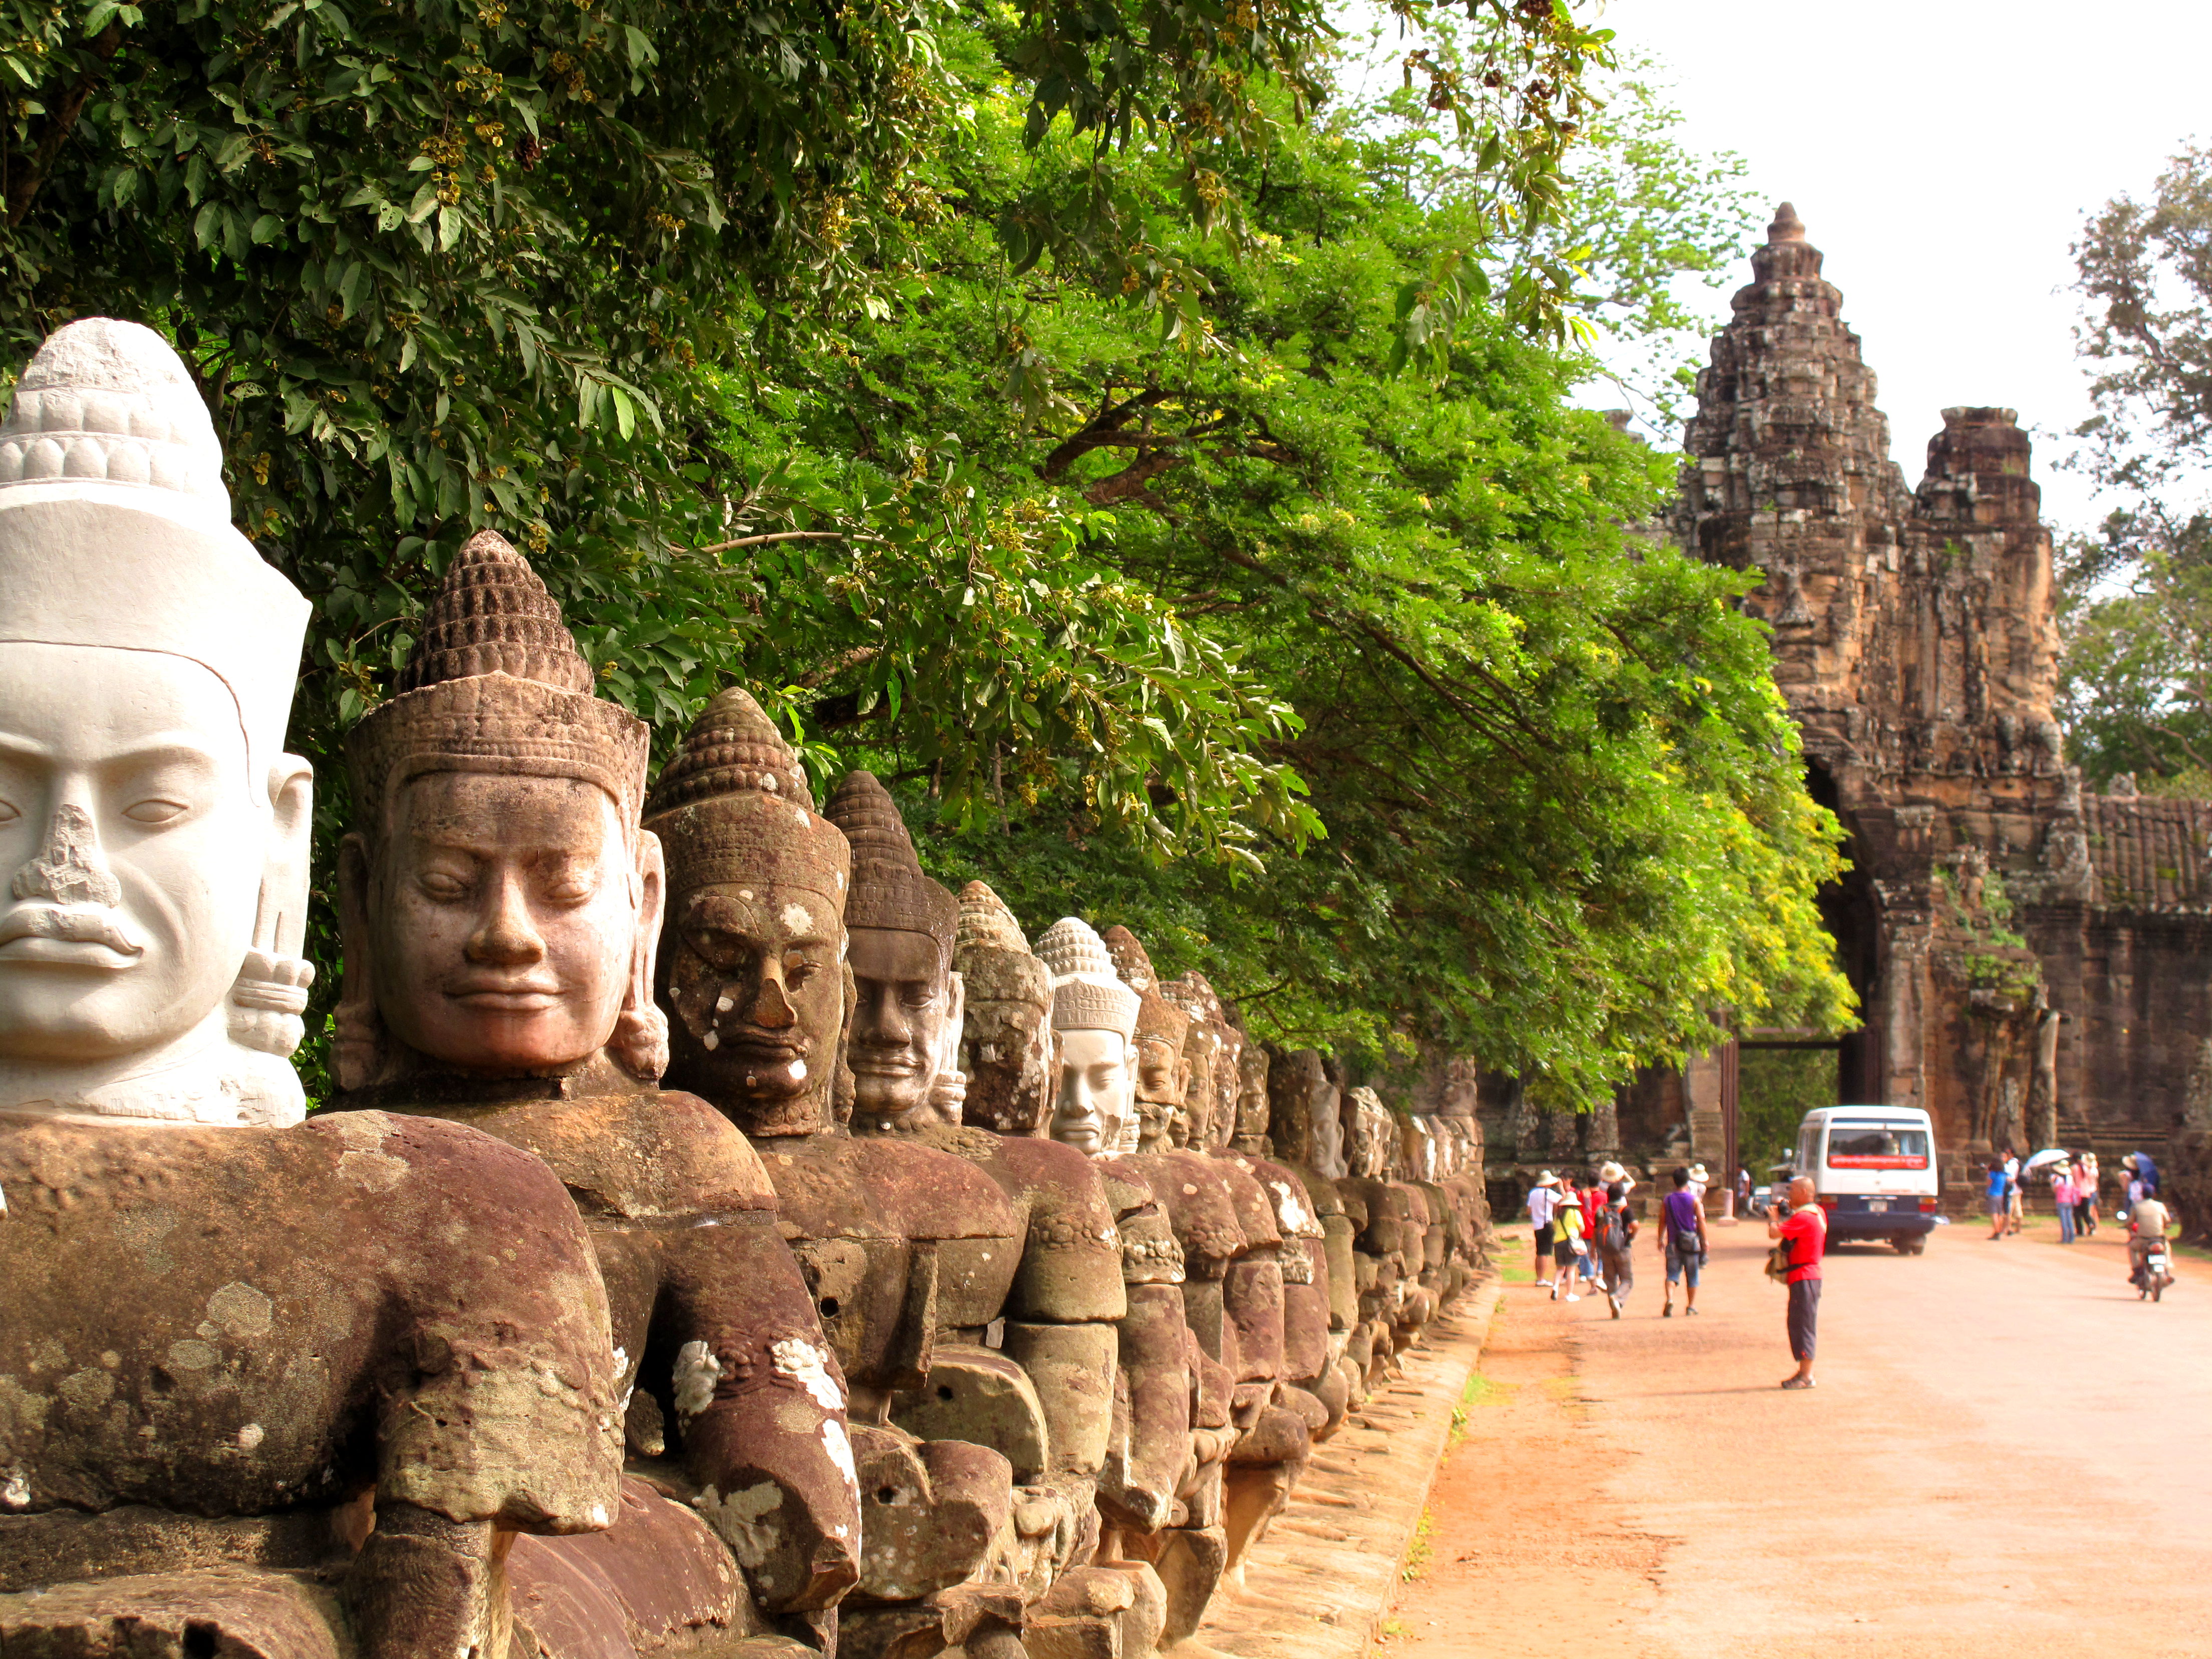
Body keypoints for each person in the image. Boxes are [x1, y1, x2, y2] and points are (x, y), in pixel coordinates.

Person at [1769, 1175, 1826, 1388]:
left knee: (1803, 1325)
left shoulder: (1804, 1218)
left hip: (1804, 1277)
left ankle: (1806, 1376)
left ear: (1804, 1192)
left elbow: (1774, 1233)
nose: (1789, 1194)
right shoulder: (1818, 1213)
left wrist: (1774, 1217)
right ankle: (1803, 1373)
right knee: (1801, 1323)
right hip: (1808, 1276)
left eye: (1792, 1190)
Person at [1658, 1166, 1707, 1317]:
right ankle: (1691, 1306)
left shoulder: (1668, 1200)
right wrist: (1705, 1241)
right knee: (1692, 1276)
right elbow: (1701, 1221)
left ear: (1674, 1182)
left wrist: (1660, 1239)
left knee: (1672, 1275)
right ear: (1688, 1181)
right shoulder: (1694, 1200)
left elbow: (1662, 1220)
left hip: (1673, 1242)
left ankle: (1671, 1299)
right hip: (1691, 1244)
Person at [1596, 1180, 1637, 1317]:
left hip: (1606, 1249)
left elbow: (1595, 1231)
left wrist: (1594, 1250)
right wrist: (1630, 1237)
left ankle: (1615, 1308)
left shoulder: (1602, 1210)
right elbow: (1636, 1225)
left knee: (1610, 1280)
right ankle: (1618, 1297)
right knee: (1627, 1280)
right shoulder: (1626, 1210)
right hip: (1622, 1248)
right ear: (1621, 1196)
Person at [2127, 1186, 2171, 1292]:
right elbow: (2167, 1221)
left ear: (2142, 1195)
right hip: (2158, 1240)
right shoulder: (2160, 1206)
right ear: (2154, 1194)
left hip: (2143, 1240)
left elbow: (2130, 1222)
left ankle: (2137, 1270)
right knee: (2167, 1247)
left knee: (2132, 1248)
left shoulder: (2137, 1206)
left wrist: (2129, 1227)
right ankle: (2167, 1269)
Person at [1550, 1188, 1587, 1302]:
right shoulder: (1575, 1213)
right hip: (1571, 1243)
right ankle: (1569, 1294)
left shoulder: (1559, 1214)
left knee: (1560, 1268)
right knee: (1571, 1269)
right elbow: (1582, 1228)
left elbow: (1555, 1227)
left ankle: (1555, 1287)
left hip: (1558, 1242)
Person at [1526, 1171, 1560, 1288]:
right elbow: (1564, 1201)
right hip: (1547, 1224)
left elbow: (1529, 1210)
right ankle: (1541, 1279)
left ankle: (1539, 1278)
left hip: (1537, 1225)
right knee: (1544, 1253)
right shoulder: (1549, 1193)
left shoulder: (1533, 1193)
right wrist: (1561, 1187)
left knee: (1539, 1251)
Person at [2052, 1158, 2077, 1245]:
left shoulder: (2059, 1179)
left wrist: (2052, 1182)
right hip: (2069, 1200)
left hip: (2061, 1201)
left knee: (2064, 1220)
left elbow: (2055, 1190)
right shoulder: (2070, 1179)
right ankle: (2072, 1238)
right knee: (2070, 1219)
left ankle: (2065, 1238)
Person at [1985, 1157, 2009, 1240]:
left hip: (1993, 1194)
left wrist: (1988, 1173)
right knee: (2000, 1214)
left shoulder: (1993, 1174)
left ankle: (1997, 1232)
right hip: (2000, 1195)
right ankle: (1999, 1230)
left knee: (1994, 1214)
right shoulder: (2003, 1175)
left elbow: (1989, 1183)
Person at [2078, 1151, 2100, 1236]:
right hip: (2094, 1190)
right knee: (2094, 1210)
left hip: (2089, 1191)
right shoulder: (2095, 1170)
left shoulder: (2087, 1171)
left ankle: (2092, 1227)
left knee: (2089, 1211)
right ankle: (2095, 1227)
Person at [2004, 1147, 2025, 1235]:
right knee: (2018, 1209)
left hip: (2012, 1189)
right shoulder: (2018, 1163)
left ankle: (2008, 1227)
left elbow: (2011, 1177)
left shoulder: (2011, 1164)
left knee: (2009, 1209)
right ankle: (2018, 1228)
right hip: (2018, 1189)